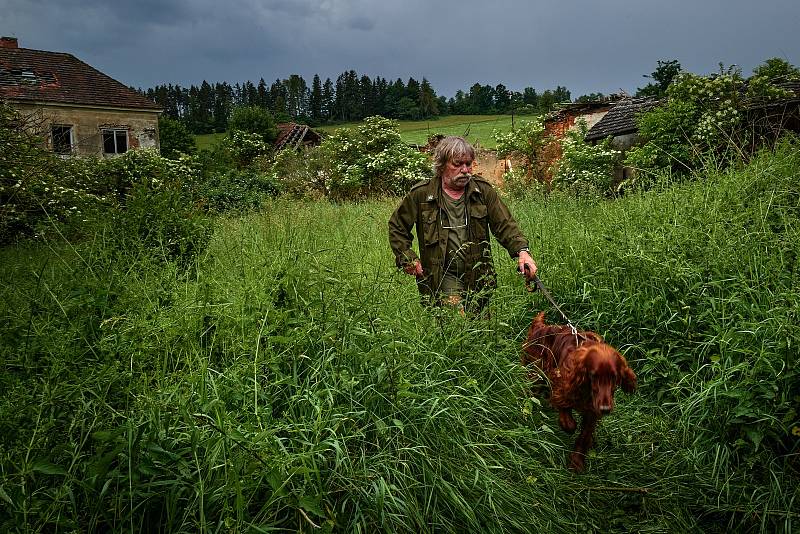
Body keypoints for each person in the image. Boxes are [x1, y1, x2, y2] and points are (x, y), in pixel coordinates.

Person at [388, 136, 537, 313]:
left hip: (478, 274)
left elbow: (505, 225)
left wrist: (523, 252)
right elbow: (397, 226)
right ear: (442, 165)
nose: (465, 170)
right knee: (457, 321)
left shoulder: (482, 191)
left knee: (478, 328)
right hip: (441, 274)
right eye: (457, 164)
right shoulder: (422, 194)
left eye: (468, 164)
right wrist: (407, 257)